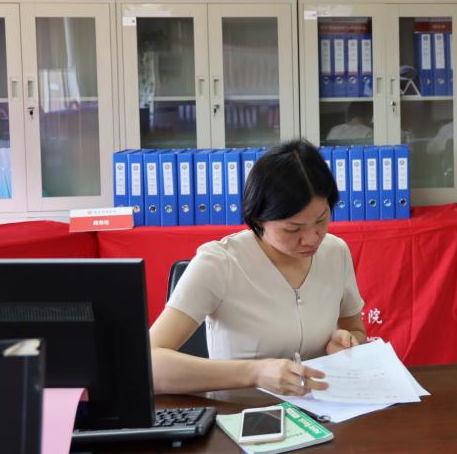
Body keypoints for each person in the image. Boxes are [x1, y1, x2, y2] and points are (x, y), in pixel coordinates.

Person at [149, 139, 367, 395]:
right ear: (258, 218)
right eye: (293, 229)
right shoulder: (219, 263)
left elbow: (355, 330)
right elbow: (149, 364)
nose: (311, 239)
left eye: (321, 220)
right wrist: (255, 373)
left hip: (325, 410)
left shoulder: (335, 252)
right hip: (241, 414)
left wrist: (346, 343)